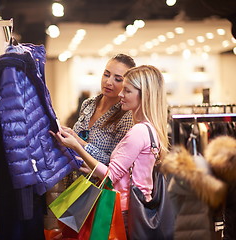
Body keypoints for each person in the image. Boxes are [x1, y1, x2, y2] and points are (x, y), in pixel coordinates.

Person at [51, 65, 169, 234]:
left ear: (145, 95)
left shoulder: (138, 131)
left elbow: (110, 177)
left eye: (127, 91)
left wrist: (76, 146)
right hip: (133, 207)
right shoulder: (150, 129)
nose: (121, 94)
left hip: (122, 210)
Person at [63, 54, 136, 166]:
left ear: (127, 84)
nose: (108, 82)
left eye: (117, 79)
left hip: (96, 182)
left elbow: (114, 163)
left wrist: (79, 142)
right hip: (71, 176)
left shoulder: (126, 117)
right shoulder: (88, 104)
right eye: (106, 74)